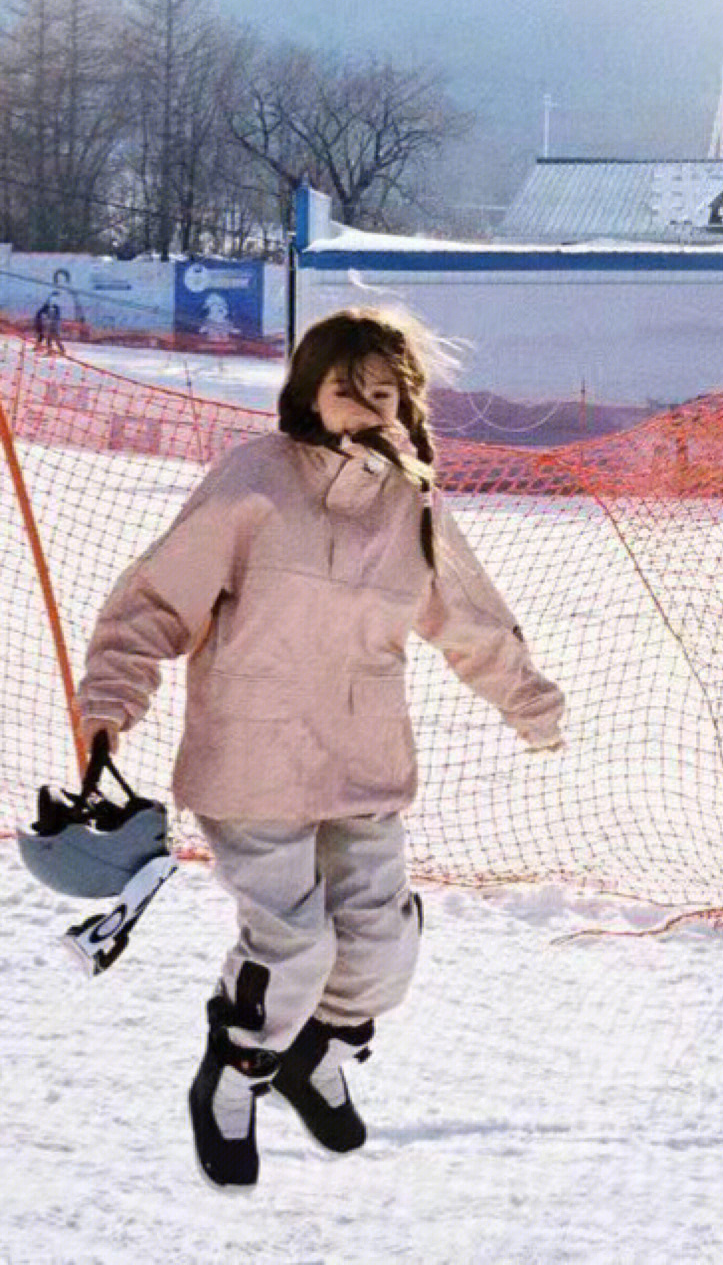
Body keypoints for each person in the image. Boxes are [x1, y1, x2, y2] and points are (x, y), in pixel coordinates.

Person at [75, 307, 566, 1188]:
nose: (363, 407)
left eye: (383, 393)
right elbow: (157, 598)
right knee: (292, 947)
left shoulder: (411, 501)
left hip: (363, 760)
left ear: (404, 405)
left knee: (380, 949)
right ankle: (236, 1072)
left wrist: (526, 700)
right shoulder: (253, 482)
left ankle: (321, 1056)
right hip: (251, 763)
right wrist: (113, 697)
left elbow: (470, 617)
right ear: (309, 391)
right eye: (346, 389)